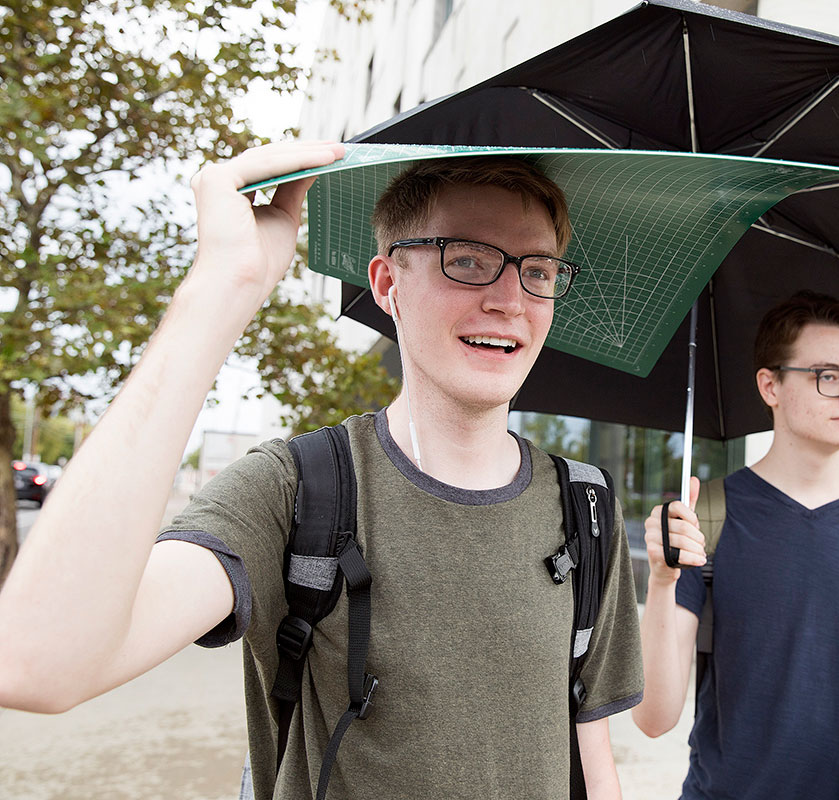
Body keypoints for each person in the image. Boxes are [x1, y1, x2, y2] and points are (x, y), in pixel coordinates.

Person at [0, 142, 643, 799]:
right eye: (469, 260)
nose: (511, 298)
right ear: (388, 285)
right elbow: (34, 662)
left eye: (537, 270)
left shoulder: (585, 508)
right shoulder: (297, 489)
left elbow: (588, 745)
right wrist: (224, 286)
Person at [634, 290, 839, 799]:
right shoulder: (707, 520)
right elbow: (654, 718)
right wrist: (663, 581)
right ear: (770, 385)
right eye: (830, 377)